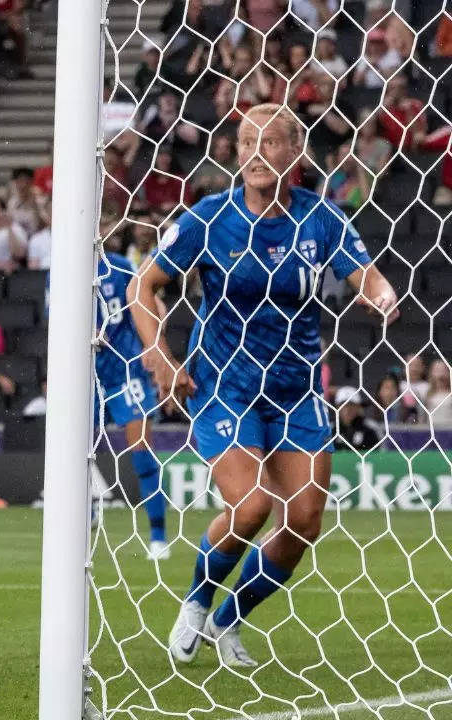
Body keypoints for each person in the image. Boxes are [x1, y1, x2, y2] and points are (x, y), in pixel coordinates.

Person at [127, 104, 399, 669]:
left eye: (271, 141)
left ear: (295, 153)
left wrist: (380, 293)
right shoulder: (209, 217)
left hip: (296, 389)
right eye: (247, 140)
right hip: (225, 385)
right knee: (249, 508)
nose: (256, 151)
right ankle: (197, 604)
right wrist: (159, 354)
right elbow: (143, 286)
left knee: (301, 522)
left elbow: (364, 272)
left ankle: (229, 620)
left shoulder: (319, 219)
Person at [95, 252, 168, 559]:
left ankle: (158, 536)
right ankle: (84, 518)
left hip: (127, 369)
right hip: (85, 372)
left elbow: (154, 302)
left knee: (141, 449)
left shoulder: (120, 266)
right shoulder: (61, 268)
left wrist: (154, 344)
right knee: (76, 452)